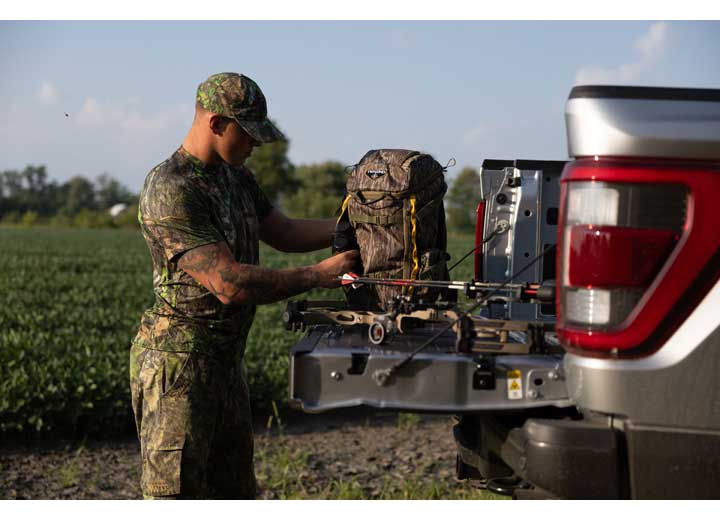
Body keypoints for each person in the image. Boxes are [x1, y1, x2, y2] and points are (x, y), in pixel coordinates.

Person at [129, 72, 358, 499]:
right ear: (215, 123)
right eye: (248, 133)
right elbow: (228, 284)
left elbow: (284, 232)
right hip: (179, 367)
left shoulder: (237, 178)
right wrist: (319, 275)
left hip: (225, 363)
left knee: (233, 493)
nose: (256, 144)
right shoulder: (171, 188)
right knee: (175, 496)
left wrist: (355, 228)